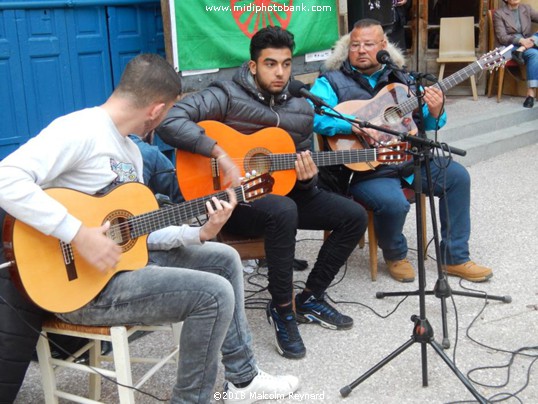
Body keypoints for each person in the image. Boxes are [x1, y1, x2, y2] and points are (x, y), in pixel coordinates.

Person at [0, 54, 298, 404]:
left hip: (118, 269)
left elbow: (138, 234)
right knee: (213, 294)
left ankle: (243, 381)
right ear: (157, 109)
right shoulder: (78, 130)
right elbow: (6, 178)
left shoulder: (132, 152)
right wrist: (78, 233)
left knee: (223, 258)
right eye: (169, 110)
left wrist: (199, 233)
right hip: (78, 287)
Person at [156, 26, 367, 360]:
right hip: (232, 200)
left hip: (280, 193)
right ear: (253, 66)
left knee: (352, 216)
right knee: (282, 211)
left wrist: (309, 178)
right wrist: (221, 155)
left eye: (285, 64)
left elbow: (293, 178)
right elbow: (170, 120)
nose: (280, 72)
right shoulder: (225, 94)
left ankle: (309, 297)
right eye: (270, 64)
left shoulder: (302, 106)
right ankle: (282, 309)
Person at [309, 19, 493, 284]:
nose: (361, 50)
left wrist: (436, 109)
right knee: (392, 202)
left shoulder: (404, 78)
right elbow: (312, 114)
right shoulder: (331, 81)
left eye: (368, 45)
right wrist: (356, 125)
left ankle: (455, 257)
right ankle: (395, 255)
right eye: (355, 45)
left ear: (383, 46)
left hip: (410, 159)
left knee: (458, 177)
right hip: (366, 167)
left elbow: (428, 123)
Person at [493, 0, 538, 108]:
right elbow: (502, 37)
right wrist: (521, 41)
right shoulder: (499, 13)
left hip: (527, 44)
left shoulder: (526, 8)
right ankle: (531, 95)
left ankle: (522, 49)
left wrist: (530, 40)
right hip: (510, 46)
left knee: (535, 53)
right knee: (535, 54)